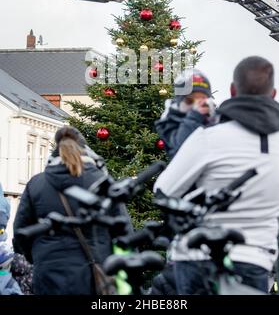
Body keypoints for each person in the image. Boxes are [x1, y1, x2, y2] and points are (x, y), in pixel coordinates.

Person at [154, 56, 279, 294]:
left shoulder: (207, 138)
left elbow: (165, 190)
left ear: (232, 90)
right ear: (273, 94)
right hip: (255, 259)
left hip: (197, 256)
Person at [13, 126, 127, 295]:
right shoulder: (102, 182)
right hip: (93, 273)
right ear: (85, 149)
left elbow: (20, 231)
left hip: (48, 273)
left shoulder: (37, 184)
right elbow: (123, 229)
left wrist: (36, 257)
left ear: (56, 150)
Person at [155, 70, 215, 159]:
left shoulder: (214, 118)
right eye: (189, 101)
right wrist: (194, 117)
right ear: (179, 102)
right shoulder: (169, 121)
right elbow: (179, 151)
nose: (196, 106)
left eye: (202, 101)